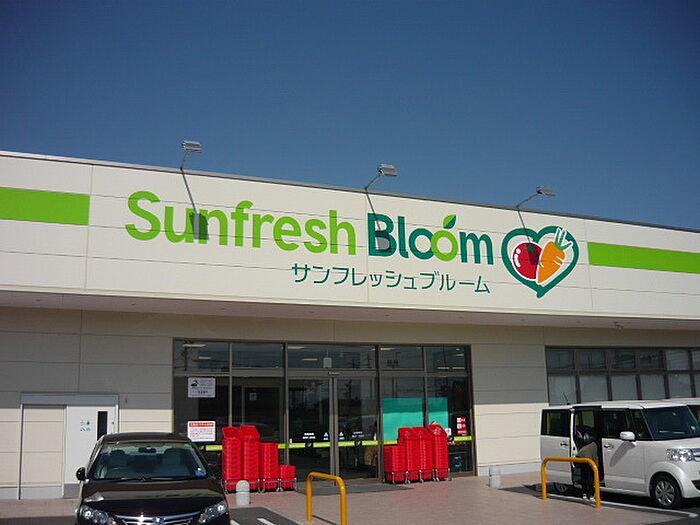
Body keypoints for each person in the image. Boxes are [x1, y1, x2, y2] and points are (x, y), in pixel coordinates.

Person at [576, 427, 599, 501]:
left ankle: (584, 494)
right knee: (590, 478)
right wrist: (596, 468)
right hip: (588, 461)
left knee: (584, 477)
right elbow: (595, 458)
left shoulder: (583, 445)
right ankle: (591, 494)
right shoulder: (594, 445)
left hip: (582, 459)